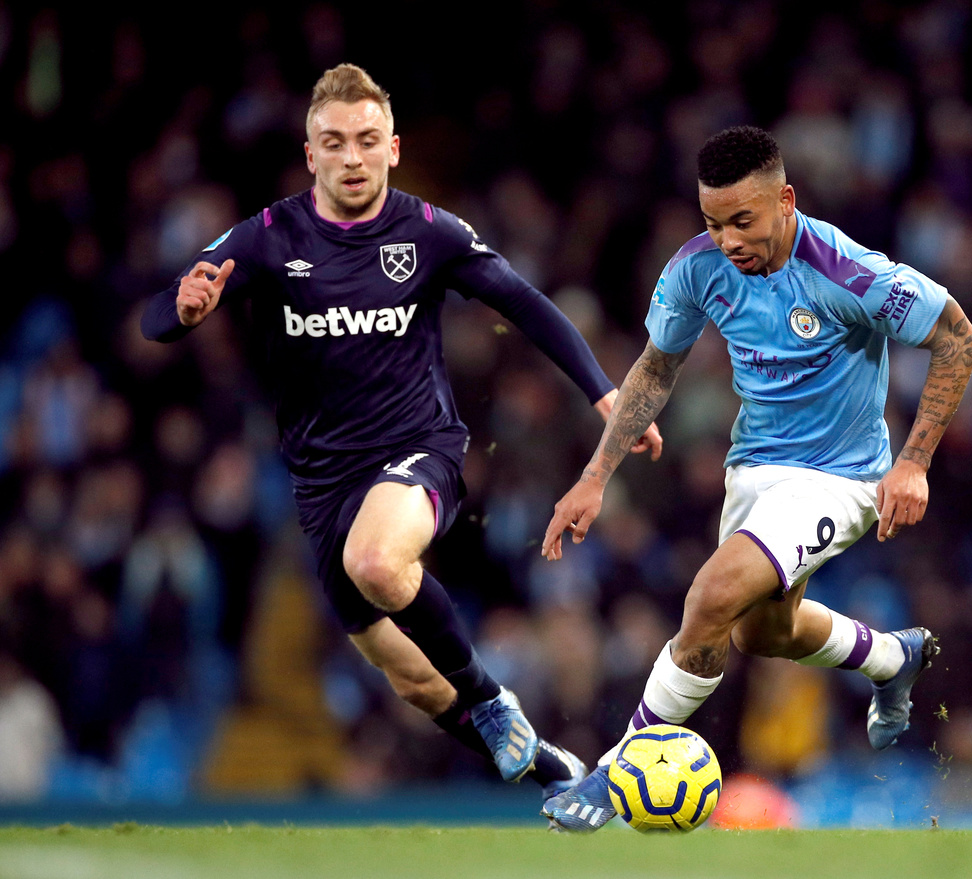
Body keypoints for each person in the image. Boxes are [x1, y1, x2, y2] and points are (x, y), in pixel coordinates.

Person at [141, 63, 662, 798]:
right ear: (311, 155)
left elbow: (523, 302)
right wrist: (183, 311)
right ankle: (555, 771)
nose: (351, 157)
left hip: (420, 450)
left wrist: (605, 393)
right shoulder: (268, 237)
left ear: (392, 149)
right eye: (334, 142)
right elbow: (157, 316)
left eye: (367, 140)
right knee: (414, 681)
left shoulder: (428, 232)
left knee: (379, 563)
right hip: (322, 486)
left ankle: (490, 699)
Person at [540, 125, 972, 831]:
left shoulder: (847, 271)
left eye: (743, 221)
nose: (728, 240)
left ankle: (613, 770)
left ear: (785, 201)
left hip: (839, 478)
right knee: (760, 633)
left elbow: (957, 336)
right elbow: (657, 366)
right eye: (714, 223)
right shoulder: (695, 268)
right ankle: (892, 657)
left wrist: (914, 462)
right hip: (751, 471)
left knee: (711, 596)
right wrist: (595, 476)